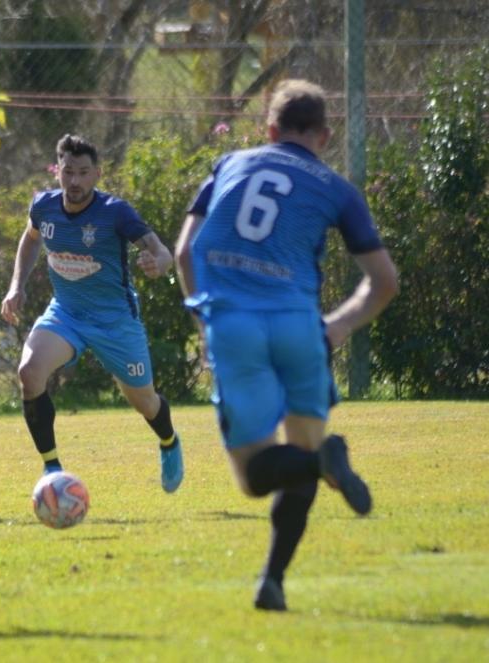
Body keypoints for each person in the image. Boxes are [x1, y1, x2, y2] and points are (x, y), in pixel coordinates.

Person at [174, 79, 399, 611]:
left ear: (269, 129)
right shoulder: (338, 188)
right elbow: (384, 280)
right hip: (301, 329)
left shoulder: (230, 163)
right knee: (304, 448)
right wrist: (339, 326)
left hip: (236, 328)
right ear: (324, 135)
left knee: (256, 475)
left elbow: (186, 250)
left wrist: (205, 324)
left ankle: (319, 464)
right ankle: (273, 581)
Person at [0, 134, 184, 491]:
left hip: (115, 321)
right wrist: (16, 286)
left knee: (144, 402)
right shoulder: (43, 206)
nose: (75, 181)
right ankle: (52, 469)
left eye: (84, 173)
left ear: (97, 174)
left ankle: (169, 441)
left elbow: (161, 251)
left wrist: (158, 264)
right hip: (66, 313)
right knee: (30, 371)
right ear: (58, 172)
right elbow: (31, 237)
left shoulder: (115, 212)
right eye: (68, 172)